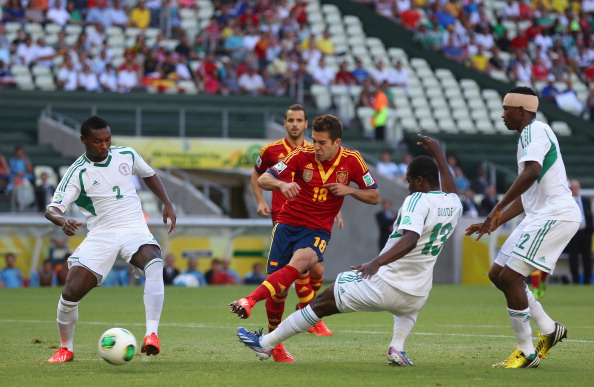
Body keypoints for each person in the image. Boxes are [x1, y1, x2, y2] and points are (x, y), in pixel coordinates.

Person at [236, 134, 462, 365]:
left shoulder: (417, 200)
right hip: (418, 294)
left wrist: (375, 263)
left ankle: (266, 343)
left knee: (322, 301)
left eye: (409, 181)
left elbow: (410, 239)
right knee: (406, 310)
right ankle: (397, 347)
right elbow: (452, 189)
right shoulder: (453, 203)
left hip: (385, 283)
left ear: (421, 181)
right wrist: (440, 156)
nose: (408, 187)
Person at [230, 114, 380, 362]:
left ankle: (250, 300)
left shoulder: (352, 161)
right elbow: (265, 177)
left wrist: (350, 190)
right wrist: (281, 185)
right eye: (314, 140)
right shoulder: (301, 156)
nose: (316, 147)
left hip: (318, 230)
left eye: (322, 142)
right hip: (287, 226)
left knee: (301, 263)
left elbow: (374, 195)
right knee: (278, 292)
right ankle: (273, 346)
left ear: (337, 142)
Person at [44, 115, 177, 363]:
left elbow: (149, 174)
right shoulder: (77, 172)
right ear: (84, 140)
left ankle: (151, 335)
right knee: (70, 294)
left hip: (133, 227)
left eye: (107, 140)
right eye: (97, 141)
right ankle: (66, 348)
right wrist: (63, 221)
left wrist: (166, 202)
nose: (104, 146)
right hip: (101, 234)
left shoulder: (126, 154)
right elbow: (52, 209)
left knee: (155, 263)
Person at [465, 86, 581, 368]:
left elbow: (531, 173)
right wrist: (496, 219)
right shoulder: (528, 137)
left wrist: (495, 207)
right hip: (539, 214)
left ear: (521, 111)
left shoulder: (534, 131)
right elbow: (528, 197)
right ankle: (550, 329)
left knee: (510, 277)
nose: (503, 115)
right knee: (497, 274)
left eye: (507, 109)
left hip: (555, 215)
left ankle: (527, 352)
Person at [251, 104, 339, 360]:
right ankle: (306, 319)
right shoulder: (271, 150)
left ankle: (304, 311)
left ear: (305, 123)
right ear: (285, 123)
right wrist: (260, 200)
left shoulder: (315, 152)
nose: (294, 124)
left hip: (313, 221)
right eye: (290, 120)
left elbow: (326, 187)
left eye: (299, 120)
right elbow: (256, 176)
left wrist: (337, 210)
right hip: (284, 218)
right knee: (294, 272)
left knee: (316, 270)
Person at [566, 180, 592, 285]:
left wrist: (590, 231)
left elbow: (590, 216)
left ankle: (587, 280)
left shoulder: (586, 201)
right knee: (573, 258)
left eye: (577, 187)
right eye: (573, 188)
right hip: (573, 233)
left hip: (585, 233)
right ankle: (575, 280)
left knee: (587, 257)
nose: (575, 190)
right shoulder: (568, 202)